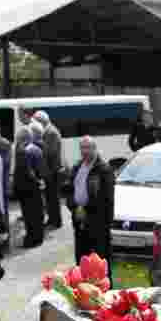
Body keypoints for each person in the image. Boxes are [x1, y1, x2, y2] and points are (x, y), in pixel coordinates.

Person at [64, 136, 114, 280]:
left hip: (98, 222)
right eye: (82, 148)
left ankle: (106, 288)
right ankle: (83, 287)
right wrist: (74, 207)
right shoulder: (77, 167)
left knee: (101, 259)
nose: (85, 151)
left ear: (94, 148)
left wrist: (86, 209)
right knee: (82, 258)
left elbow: (106, 198)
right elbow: (68, 190)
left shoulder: (104, 169)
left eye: (88, 148)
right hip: (79, 220)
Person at [14, 124, 46, 248]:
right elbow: (40, 169)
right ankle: (38, 237)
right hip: (36, 186)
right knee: (37, 213)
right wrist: (40, 181)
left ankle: (31, 239)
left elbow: (27, 172)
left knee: (29, 215)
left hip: (27, 187)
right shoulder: (37, 149)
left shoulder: (24, 151)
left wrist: (35, 181)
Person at [34, 110, 64, 229]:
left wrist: (40, 145)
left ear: (42, 121)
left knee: (53, 198)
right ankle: (52, 219)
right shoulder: (48, 131)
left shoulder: (51, 132)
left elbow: (51, 151)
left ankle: (56, 221)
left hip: (53, 170)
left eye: (37, 121)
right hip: (49, 170)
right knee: (49, 197)